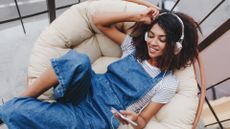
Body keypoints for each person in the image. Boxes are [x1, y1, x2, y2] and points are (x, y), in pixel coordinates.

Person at [0, 1, 204, 129]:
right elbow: (98, 22)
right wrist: (136, 16)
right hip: (83, 89)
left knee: (11, 111)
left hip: (95, 119)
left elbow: (142, 122)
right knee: (79, 60)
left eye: (161, 39)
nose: (152, 42)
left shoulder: (167, 83)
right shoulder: (134, 47)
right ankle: (24, 99)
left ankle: (26, 110)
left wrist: (134, 118)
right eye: (151, 35)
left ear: (175, 46)